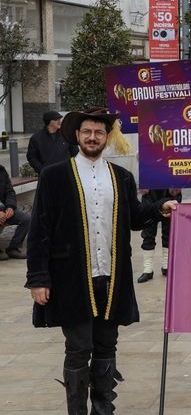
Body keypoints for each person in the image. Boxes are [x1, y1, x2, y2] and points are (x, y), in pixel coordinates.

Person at [25, 108, 178, 414]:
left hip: (112, 275)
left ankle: (103, 409)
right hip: (70, 276)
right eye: (87, 132)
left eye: (98, 133)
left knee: (107, 345)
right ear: (77, 136)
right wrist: (38, 278)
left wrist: (161, 207)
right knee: (79, 347)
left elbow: (134, 217)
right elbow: (40, 228)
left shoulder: (121, 176)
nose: (92, 137)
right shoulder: (55, 175)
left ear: (107, 138)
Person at [136, 188, 182, 282]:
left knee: (169, 231)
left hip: (170, 187)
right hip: (151, 190)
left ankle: (166, 266)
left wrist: (178, 184)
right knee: (148, 231)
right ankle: (147, 269)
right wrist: (143, 183)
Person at [0, 163, 31, 260]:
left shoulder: (1, 170)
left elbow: (10, 191)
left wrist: (10, 207)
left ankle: (13, 248)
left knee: (27, 219)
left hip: (4, 208)